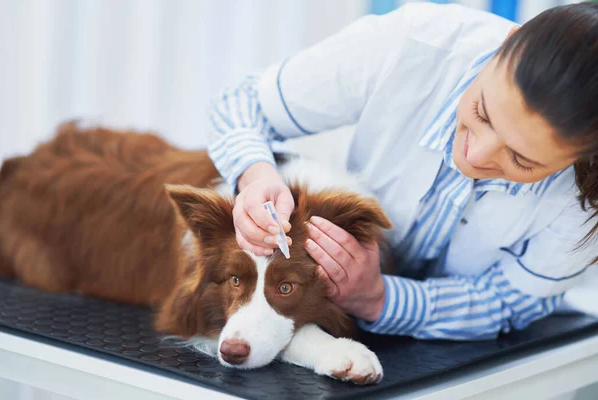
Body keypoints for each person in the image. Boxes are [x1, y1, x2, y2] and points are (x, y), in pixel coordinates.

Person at [206, 2, 598, 340]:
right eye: (482, 112)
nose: (476, 156)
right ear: (506, 43)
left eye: (521, 159)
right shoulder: (410, 45)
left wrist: (378, 298)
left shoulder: (585, 200)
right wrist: (255, 176)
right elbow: (242, 105)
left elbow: (511, 301)